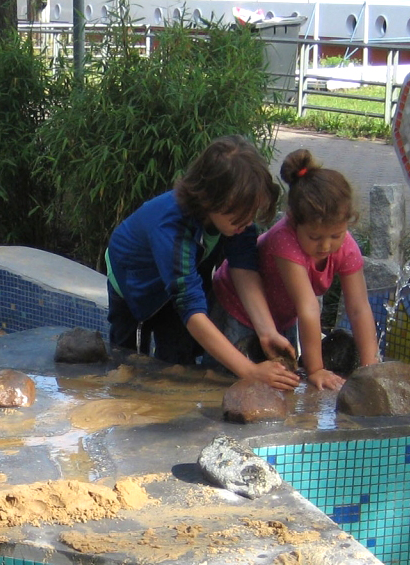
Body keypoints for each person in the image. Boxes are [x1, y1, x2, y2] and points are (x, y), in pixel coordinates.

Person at [105, 135, 300, 390]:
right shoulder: (172, 228)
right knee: (129, 362)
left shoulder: (237, 221)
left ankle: (172, 412)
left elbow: (244, 269)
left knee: (178, 358)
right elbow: (191, 309)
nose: (247, 222)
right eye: (240, 217)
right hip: (135, 284)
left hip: (179, 282)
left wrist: (267, 331)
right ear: (209, 201)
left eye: (250, 214)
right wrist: (249, 370)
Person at [212, 149, 379, 390]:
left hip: (281, 316)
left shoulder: (347, 247)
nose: (326, 245)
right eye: (314, 237)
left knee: (283, 378)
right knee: (230, 379)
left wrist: (369, 368)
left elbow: (359, 307)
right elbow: (307, 307)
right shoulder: (284, 240)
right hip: (237, 305)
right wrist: (316, 370)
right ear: (293, 221)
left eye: (336, 235)